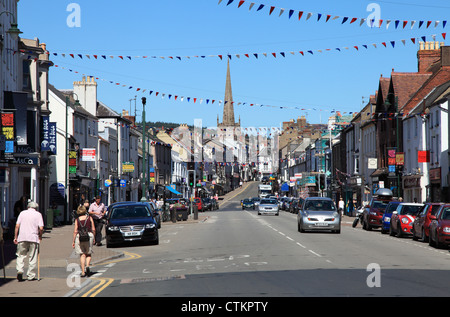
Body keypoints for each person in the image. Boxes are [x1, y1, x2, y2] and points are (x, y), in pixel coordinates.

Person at [13, 201, 44, 281]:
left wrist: (15, 237)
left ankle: (20, 270)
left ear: (28, 207)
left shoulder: (22, 213)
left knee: (20, 255)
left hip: (22, 237)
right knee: (32, 257)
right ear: (36, 208)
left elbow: (17, 226)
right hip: (33, 238)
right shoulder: (38, 214)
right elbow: (41, 228)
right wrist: (40, 236)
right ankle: (30, 275)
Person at [72, 205, 95, 277]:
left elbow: (75, 231)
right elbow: (93, 229)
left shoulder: (77, 220)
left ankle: (82, 272)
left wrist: (73, 241)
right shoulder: (89, 218)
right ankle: (87, 266)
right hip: (89, 236)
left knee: (82, 254)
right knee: (88, 253)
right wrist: (94, 237)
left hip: (80, 237)